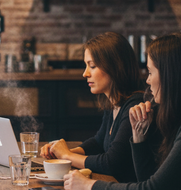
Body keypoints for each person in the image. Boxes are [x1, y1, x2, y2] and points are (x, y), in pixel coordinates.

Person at [63, 32, 181, 190]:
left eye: (151, 72)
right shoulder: (172, 122)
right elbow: (146, 179)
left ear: (169, 76)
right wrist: (139, 138)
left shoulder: (136, 103)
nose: (147, 80)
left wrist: (89, 185)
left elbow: (151, 187)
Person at [41, 32, 144, 182]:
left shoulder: (134, 106)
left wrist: (67, 156)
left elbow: (111, 163)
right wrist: (62, 151)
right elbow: (98, 141)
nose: (85, 73)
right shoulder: (114, 103)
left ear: (115, 67)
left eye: (92, 66)